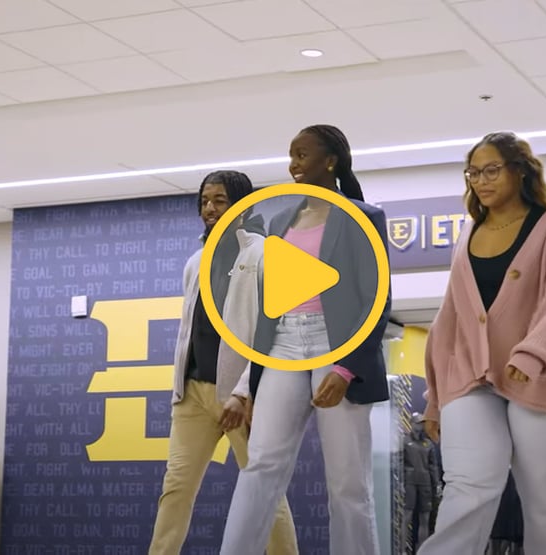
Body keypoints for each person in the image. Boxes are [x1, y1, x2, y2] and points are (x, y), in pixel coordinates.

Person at [418, 131, 546, 555]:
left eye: (491, 170)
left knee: (544, 495)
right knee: (467, 484)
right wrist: (435, 397)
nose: (481, 181)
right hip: (471, 376)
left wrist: (533, 355)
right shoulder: (469, 234)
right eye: (473, 173)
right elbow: (452, 319)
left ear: (520, 171)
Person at [220, 125, 392, 555]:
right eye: (291, 155)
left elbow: (376, 299)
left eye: (302, 155)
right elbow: (269, 308)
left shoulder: (363, 217)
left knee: (348, 483)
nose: (293, 164)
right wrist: (248, 385)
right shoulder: (280, 219)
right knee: (261, 465)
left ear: (330, 161)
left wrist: (346, 366)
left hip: (336, 349)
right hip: (282, 346)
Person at [149, 170, 298, 555]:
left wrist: (245, 391)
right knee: (175, 490)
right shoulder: (196, 262)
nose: (211, 209)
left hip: (241, 396)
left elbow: (270, 331)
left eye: (220, 200)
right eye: (205, 201)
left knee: (263, 490)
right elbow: (189, 330)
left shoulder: (263, 254)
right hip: (193, 395)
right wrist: (179, 389)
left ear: (242, 205)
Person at [403, 413, 441, 553]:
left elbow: (433, 466)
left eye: (422, 423)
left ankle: (422, 551)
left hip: (425, 484)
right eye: (418, 423)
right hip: (410, 483)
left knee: (424, 518)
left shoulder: (428, 444)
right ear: (411, 424)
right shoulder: (405, 442)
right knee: (407, 517)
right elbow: (400, 462)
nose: (420, 426)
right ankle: (401, 550)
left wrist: (436, 484)